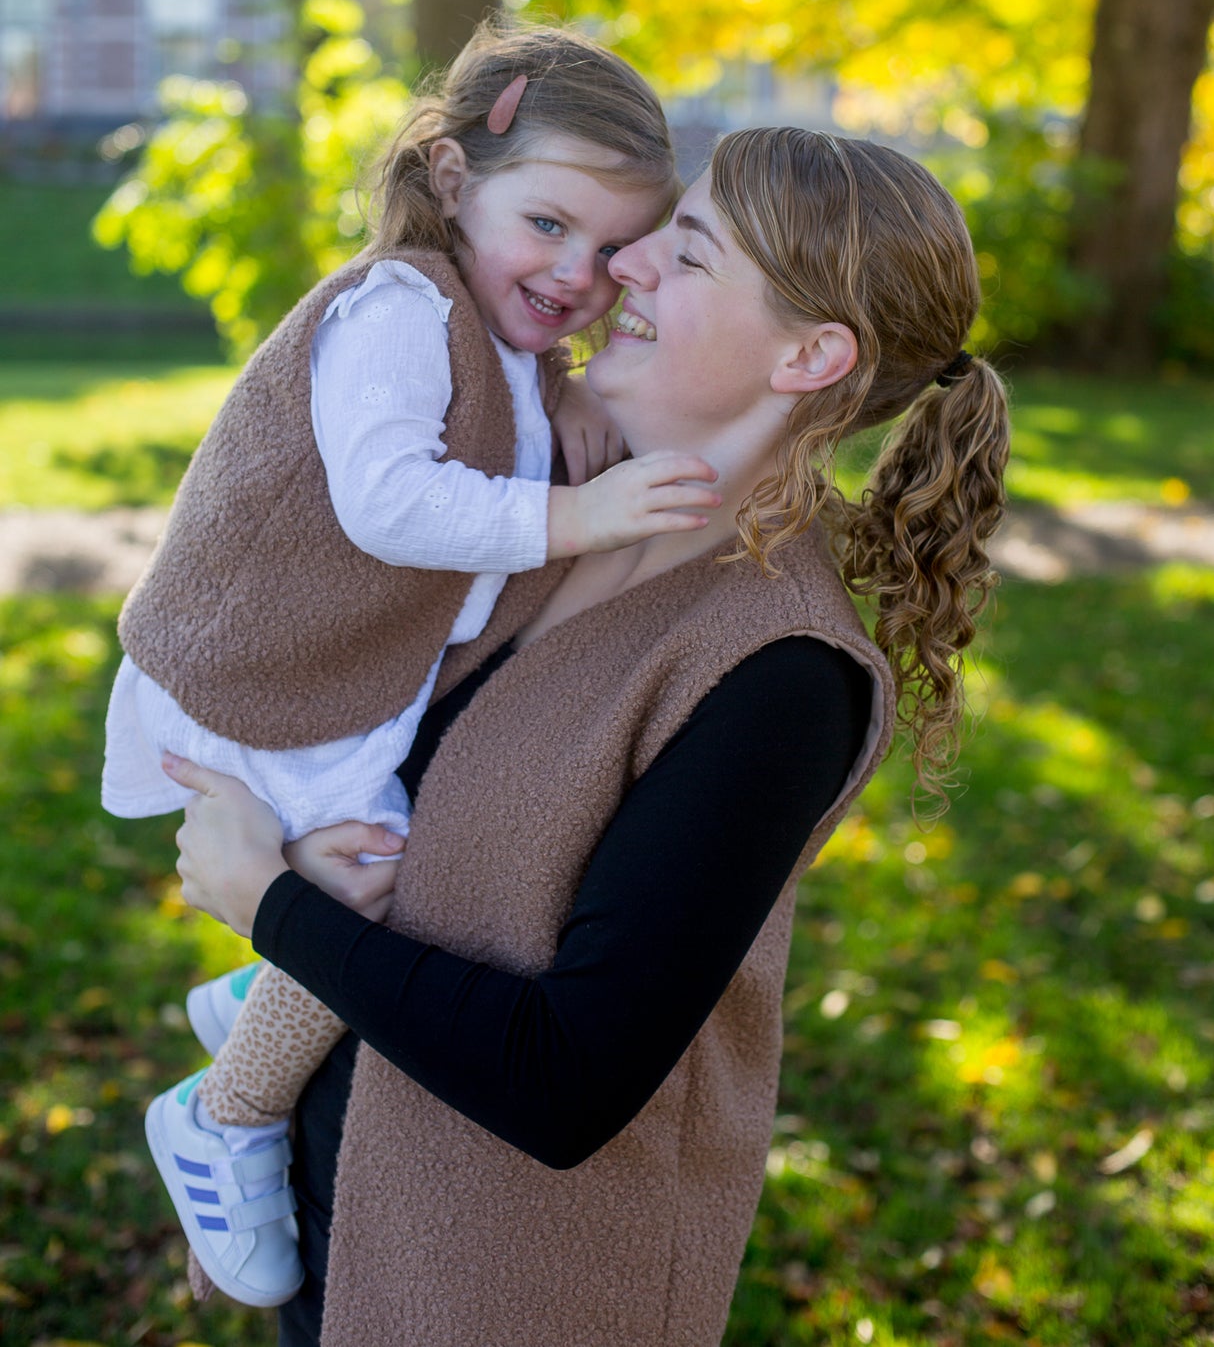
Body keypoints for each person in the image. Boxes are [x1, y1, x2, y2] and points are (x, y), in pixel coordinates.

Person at [165, 124, 1011, 1347]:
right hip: (339, 1216)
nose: (626, 266)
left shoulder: (779, 675)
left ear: (810, 354)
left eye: (691, 252)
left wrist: (265, 905)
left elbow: (564, 1079)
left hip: (506, 1288)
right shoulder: (541, 508)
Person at [101, 20, 716, 1306]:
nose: (575, 271)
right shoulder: (392, 307)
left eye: (611, 250)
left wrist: (573, 423)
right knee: (386, 879)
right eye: (545, 224)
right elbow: (389, 501)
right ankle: (223, 1119)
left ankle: (256, 989)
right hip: (262, 668)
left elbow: (503, 461)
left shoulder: (513, 350)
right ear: (450, 180)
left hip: (338, 673)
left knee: (382, 863)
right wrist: (577, 516)